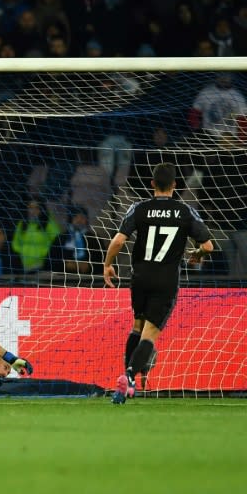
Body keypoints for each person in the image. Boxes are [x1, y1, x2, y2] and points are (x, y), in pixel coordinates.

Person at [104, 163, 213, 404]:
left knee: (137, 326)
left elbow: (119, 241)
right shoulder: (185, 212)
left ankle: (127, 383)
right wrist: (197, 254)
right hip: (165, 281)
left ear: (152, 184)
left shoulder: (139, 208)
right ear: (175, 185)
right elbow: (207, 246)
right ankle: (130, 377)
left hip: (140, 278)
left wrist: (107, 264)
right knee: (149, 335)